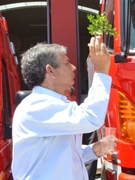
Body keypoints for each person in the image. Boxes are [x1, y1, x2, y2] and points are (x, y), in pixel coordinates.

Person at [12, 37, 115, 180]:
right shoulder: (37, 105)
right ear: (50, 71)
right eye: (66, 63)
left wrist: (94, 150)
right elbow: (91, 117)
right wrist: (102, 70)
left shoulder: (50, 104)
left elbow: (62, 155)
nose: (73, 67)